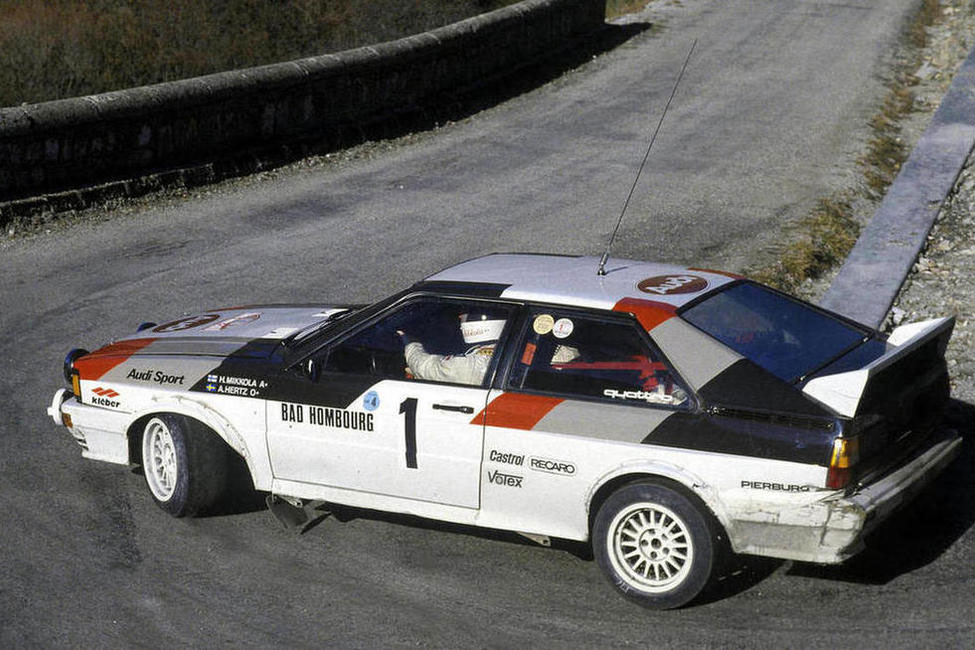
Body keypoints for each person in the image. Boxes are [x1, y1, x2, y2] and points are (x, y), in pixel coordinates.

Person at [397, 312, 505, 385]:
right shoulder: (506, 352)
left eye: (463, 318)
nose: (460, 323)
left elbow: (428, 368)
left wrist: (411, 344)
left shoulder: (472, 364)